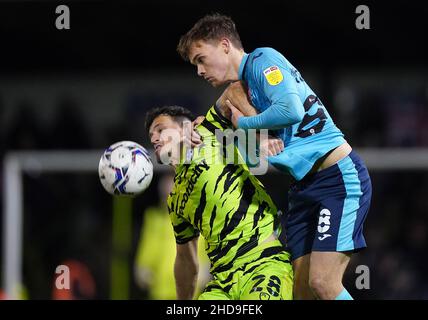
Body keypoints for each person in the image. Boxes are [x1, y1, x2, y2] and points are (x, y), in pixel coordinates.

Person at [177, 13, 372, 300]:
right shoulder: (242, 91)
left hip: (336, 178)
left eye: (201, 59)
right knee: (301, 291)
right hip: (304, 189)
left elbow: (291, 110)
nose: (199, 70)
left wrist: (244, 125)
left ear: (225, 45)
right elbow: (224, 119)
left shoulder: (262, 60)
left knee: (323, 283)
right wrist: (197, 129)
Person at [145, 91, 293, 300]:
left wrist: (259, 135)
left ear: (185, 127)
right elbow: (186, 260)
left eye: (160, 129)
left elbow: (235, 91)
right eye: (151, 135)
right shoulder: (175, 199)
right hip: (223, 283)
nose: (154, 137)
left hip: (263, 265)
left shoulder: (210, 132)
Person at [134, 172, 211, 299]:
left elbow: (206, 251)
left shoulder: (199, 219)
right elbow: (146, 252)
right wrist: (142, 268)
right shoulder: (153, 218)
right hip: (160, 292)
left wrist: (205, 270)